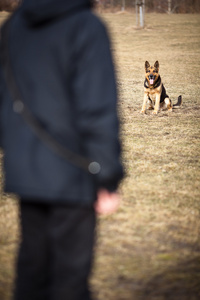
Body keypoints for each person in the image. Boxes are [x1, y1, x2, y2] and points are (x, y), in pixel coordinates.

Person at [0, 0, 124, 299]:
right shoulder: (86, 26)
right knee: (69, 282)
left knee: (32, 274)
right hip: (73, 175)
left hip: (25, 173)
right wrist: (107, 176)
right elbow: (97, 109)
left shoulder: (13, 25)